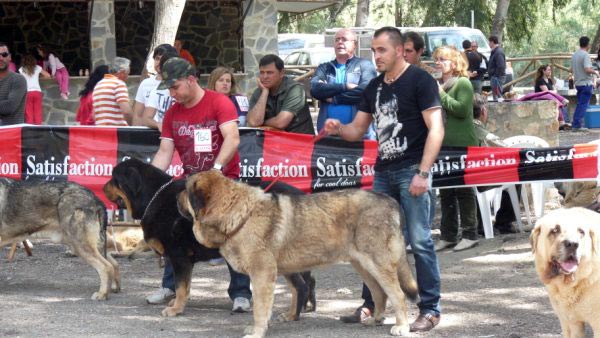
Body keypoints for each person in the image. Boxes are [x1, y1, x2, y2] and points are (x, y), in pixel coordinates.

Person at [323, 27, 444, 332]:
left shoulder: (420, 80)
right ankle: (372, 305)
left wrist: (423, 173)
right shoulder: (374, 86)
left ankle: (430, 309)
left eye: (381, 50)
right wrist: (338, 127)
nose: (375, 56)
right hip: (383, 171)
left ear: (401, 50)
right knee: (369, 241)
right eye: (373, 50)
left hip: (412, 170)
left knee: (419, 240)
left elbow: (437, 129)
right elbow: (356, 130)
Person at [147, 57, 252, 313]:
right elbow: (164, 151)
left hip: (225, 182)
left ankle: (240, 293)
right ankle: (170, 286)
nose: (172, 94)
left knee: (232, 237)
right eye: (169, 89)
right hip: (190, 186)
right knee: (174, 232)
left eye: (175, 88)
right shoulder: (173, 113)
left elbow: (232, 138)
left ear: (191, 80)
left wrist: (215, 171)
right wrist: (151, 181)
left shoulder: (219, 102)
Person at [431, 46, 479, 252]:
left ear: (454, 62)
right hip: (441, 144)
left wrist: (440, 94)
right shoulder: (439, 84)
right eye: (437, 59)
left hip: (461, 143)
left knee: (464, 189)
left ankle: (470, 233)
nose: (438, 63)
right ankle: (448, 235)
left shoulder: (463, 83)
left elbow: (461, 109)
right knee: (447, 191)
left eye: (442, 59)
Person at [310, 28, 377, 137]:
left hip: (360, 135)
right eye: (337, 40)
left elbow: (366, 92)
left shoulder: (365, 65)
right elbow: (315, 90)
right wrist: (345, 86)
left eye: (344, 39)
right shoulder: (325, 68)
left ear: (354, 44)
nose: (340, 42)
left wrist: (334, 98)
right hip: (328, 133)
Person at [247, 54, 315, 134]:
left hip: (300, 141)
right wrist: (265, 93)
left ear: (282, 73)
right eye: (262, 72)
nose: (264, 77)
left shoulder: (295, 89)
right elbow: (253, 122)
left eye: (269, 73)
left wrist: (262, 122)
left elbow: (281, 122)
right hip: (275, 141)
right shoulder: (260, 91)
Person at [134, 44, 178, 126]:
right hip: (149, 133)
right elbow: (138, 115)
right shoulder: (145, 84)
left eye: (164, 59)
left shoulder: (178, 84)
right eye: (157, 59)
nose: (159, 63)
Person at [92, 57, 133, 126]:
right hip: (116, 131)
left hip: (100, 130)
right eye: (128, 73)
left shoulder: (98, 85)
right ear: (122, 72)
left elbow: (94, 114)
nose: (127, 77)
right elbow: (126, 111)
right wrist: (134, 125)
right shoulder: (119, 84)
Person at [571, 36, 599, 131]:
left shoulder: (574, 55)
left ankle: (576, 123)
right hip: (585, 83)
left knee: (580, 104)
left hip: (578, 83)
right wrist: (595, 72)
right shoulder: (585, 55)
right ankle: (577, 125)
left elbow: (571, 69)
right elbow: (587, 69)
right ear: (588, 44)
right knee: (582, 105)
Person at [19, 54, 51, 125]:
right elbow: (48, 75)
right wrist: (39, 78)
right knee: (38, 112)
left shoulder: (21, 69)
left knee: (28, 113)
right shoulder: (37, 68)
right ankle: (38, 131)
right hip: (37, 92)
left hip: (27, 92)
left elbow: (19, 80)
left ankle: (30, 131)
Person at [0, 42, 27, 125]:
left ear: (10, 57)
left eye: (4, 54)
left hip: (12, 134)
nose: (0, 58)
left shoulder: (18, 79)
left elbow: (9, 107)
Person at [488, 36, 506, 101]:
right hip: (495, 77)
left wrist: (495, 76)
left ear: (492, 42)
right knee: (496, 96)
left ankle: (500, 109)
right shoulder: (495, 52)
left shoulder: (498, 52)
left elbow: (501, 66)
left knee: (498, 96)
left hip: (497, 78)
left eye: (489, 42)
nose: (489, 44)